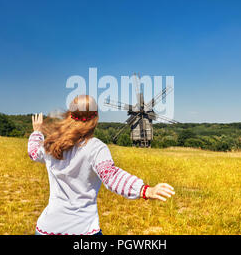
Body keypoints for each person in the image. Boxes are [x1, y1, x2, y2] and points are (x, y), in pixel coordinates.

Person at [28, 95, 175, 235]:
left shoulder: (51, 144)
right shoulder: (96, 148)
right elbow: (111, 176)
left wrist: (37, 132)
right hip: (82, 229)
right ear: (95, 119)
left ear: (69, 115)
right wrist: (144, 190)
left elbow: (33, 152)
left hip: (47, 228)